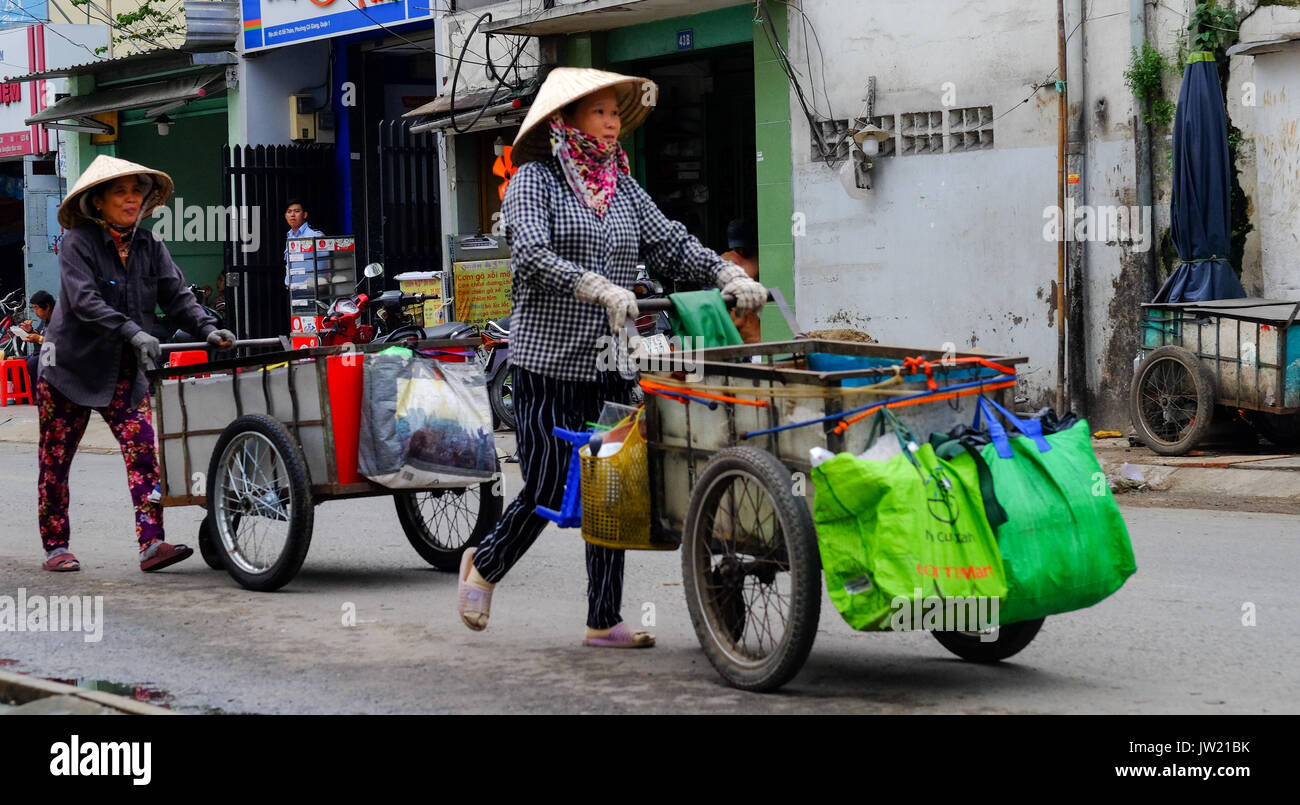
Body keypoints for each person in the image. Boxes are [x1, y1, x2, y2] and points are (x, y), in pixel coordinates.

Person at [456, 67, 767, 647]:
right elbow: (527, 254)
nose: (611, 122)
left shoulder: (622, 185)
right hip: (546, 364)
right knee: (549, 488)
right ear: (565, 120)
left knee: (607, 486)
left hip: (608, 363)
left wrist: (725, 271)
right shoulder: (534, 180)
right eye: (598, 112)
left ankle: (604, 618)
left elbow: (670, 241)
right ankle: (484, 566)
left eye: (614, 113)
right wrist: (593, 285)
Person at [35, 155, 235, 572]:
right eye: (120, 192)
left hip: (123, 370)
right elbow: (85, 302)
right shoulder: (77, 243)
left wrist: (207, 328)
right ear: (99, 202)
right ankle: (56, 546)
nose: (131, 200)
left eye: (137, 192)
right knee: (56, 460)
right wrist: (132, 330)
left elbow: (178, 297)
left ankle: (152, 543)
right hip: (68, 369)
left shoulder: (150, 245)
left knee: (143, 451)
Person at [719, 218, 761, 344]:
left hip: (752, 330)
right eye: (737, 247)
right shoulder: (725, 260)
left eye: (744, 247)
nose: (741, 251)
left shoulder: (756, 258)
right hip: (734, 328)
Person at [283, 198, 323, 290]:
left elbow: (325, 265)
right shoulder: (290, 236)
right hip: (292, 291)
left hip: (311, 290)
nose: (292, 215)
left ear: (305, 215)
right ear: (286, 216)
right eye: (289, 212)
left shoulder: (315, 235)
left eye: (297, 211)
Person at [20, 289, 54, 381]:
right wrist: (30, 331)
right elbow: (38, 334)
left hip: (54, 356)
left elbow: (58, 342)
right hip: (39, 354)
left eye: (36, 307)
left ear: (47, 307)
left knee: (32, 363)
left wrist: (38, 338)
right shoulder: (45, 319)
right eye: (33, 308)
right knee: (16, 363)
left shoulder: (58, 319)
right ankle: (24, 394)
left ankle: (36, 394)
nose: (35, 311)